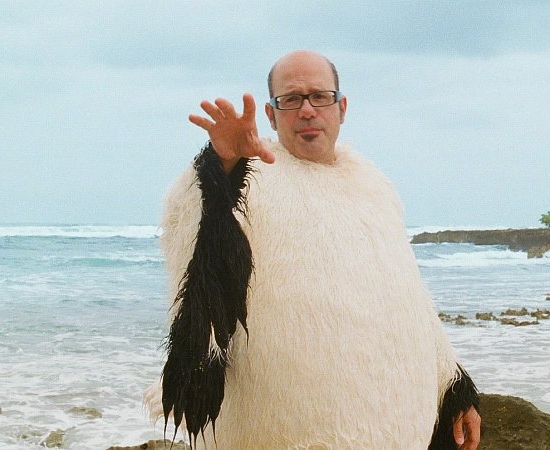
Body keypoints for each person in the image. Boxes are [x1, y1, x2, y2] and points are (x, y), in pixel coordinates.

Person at [145, 50, 481, 449]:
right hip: (282, 431)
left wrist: (455, 387)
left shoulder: (374, 186)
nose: (307, 110)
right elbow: (191, 240)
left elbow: (409, 297)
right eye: (290, 99)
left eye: (319, 96)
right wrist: (222, 168)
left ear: (342, 107)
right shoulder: (252, 173)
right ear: (271, 115)